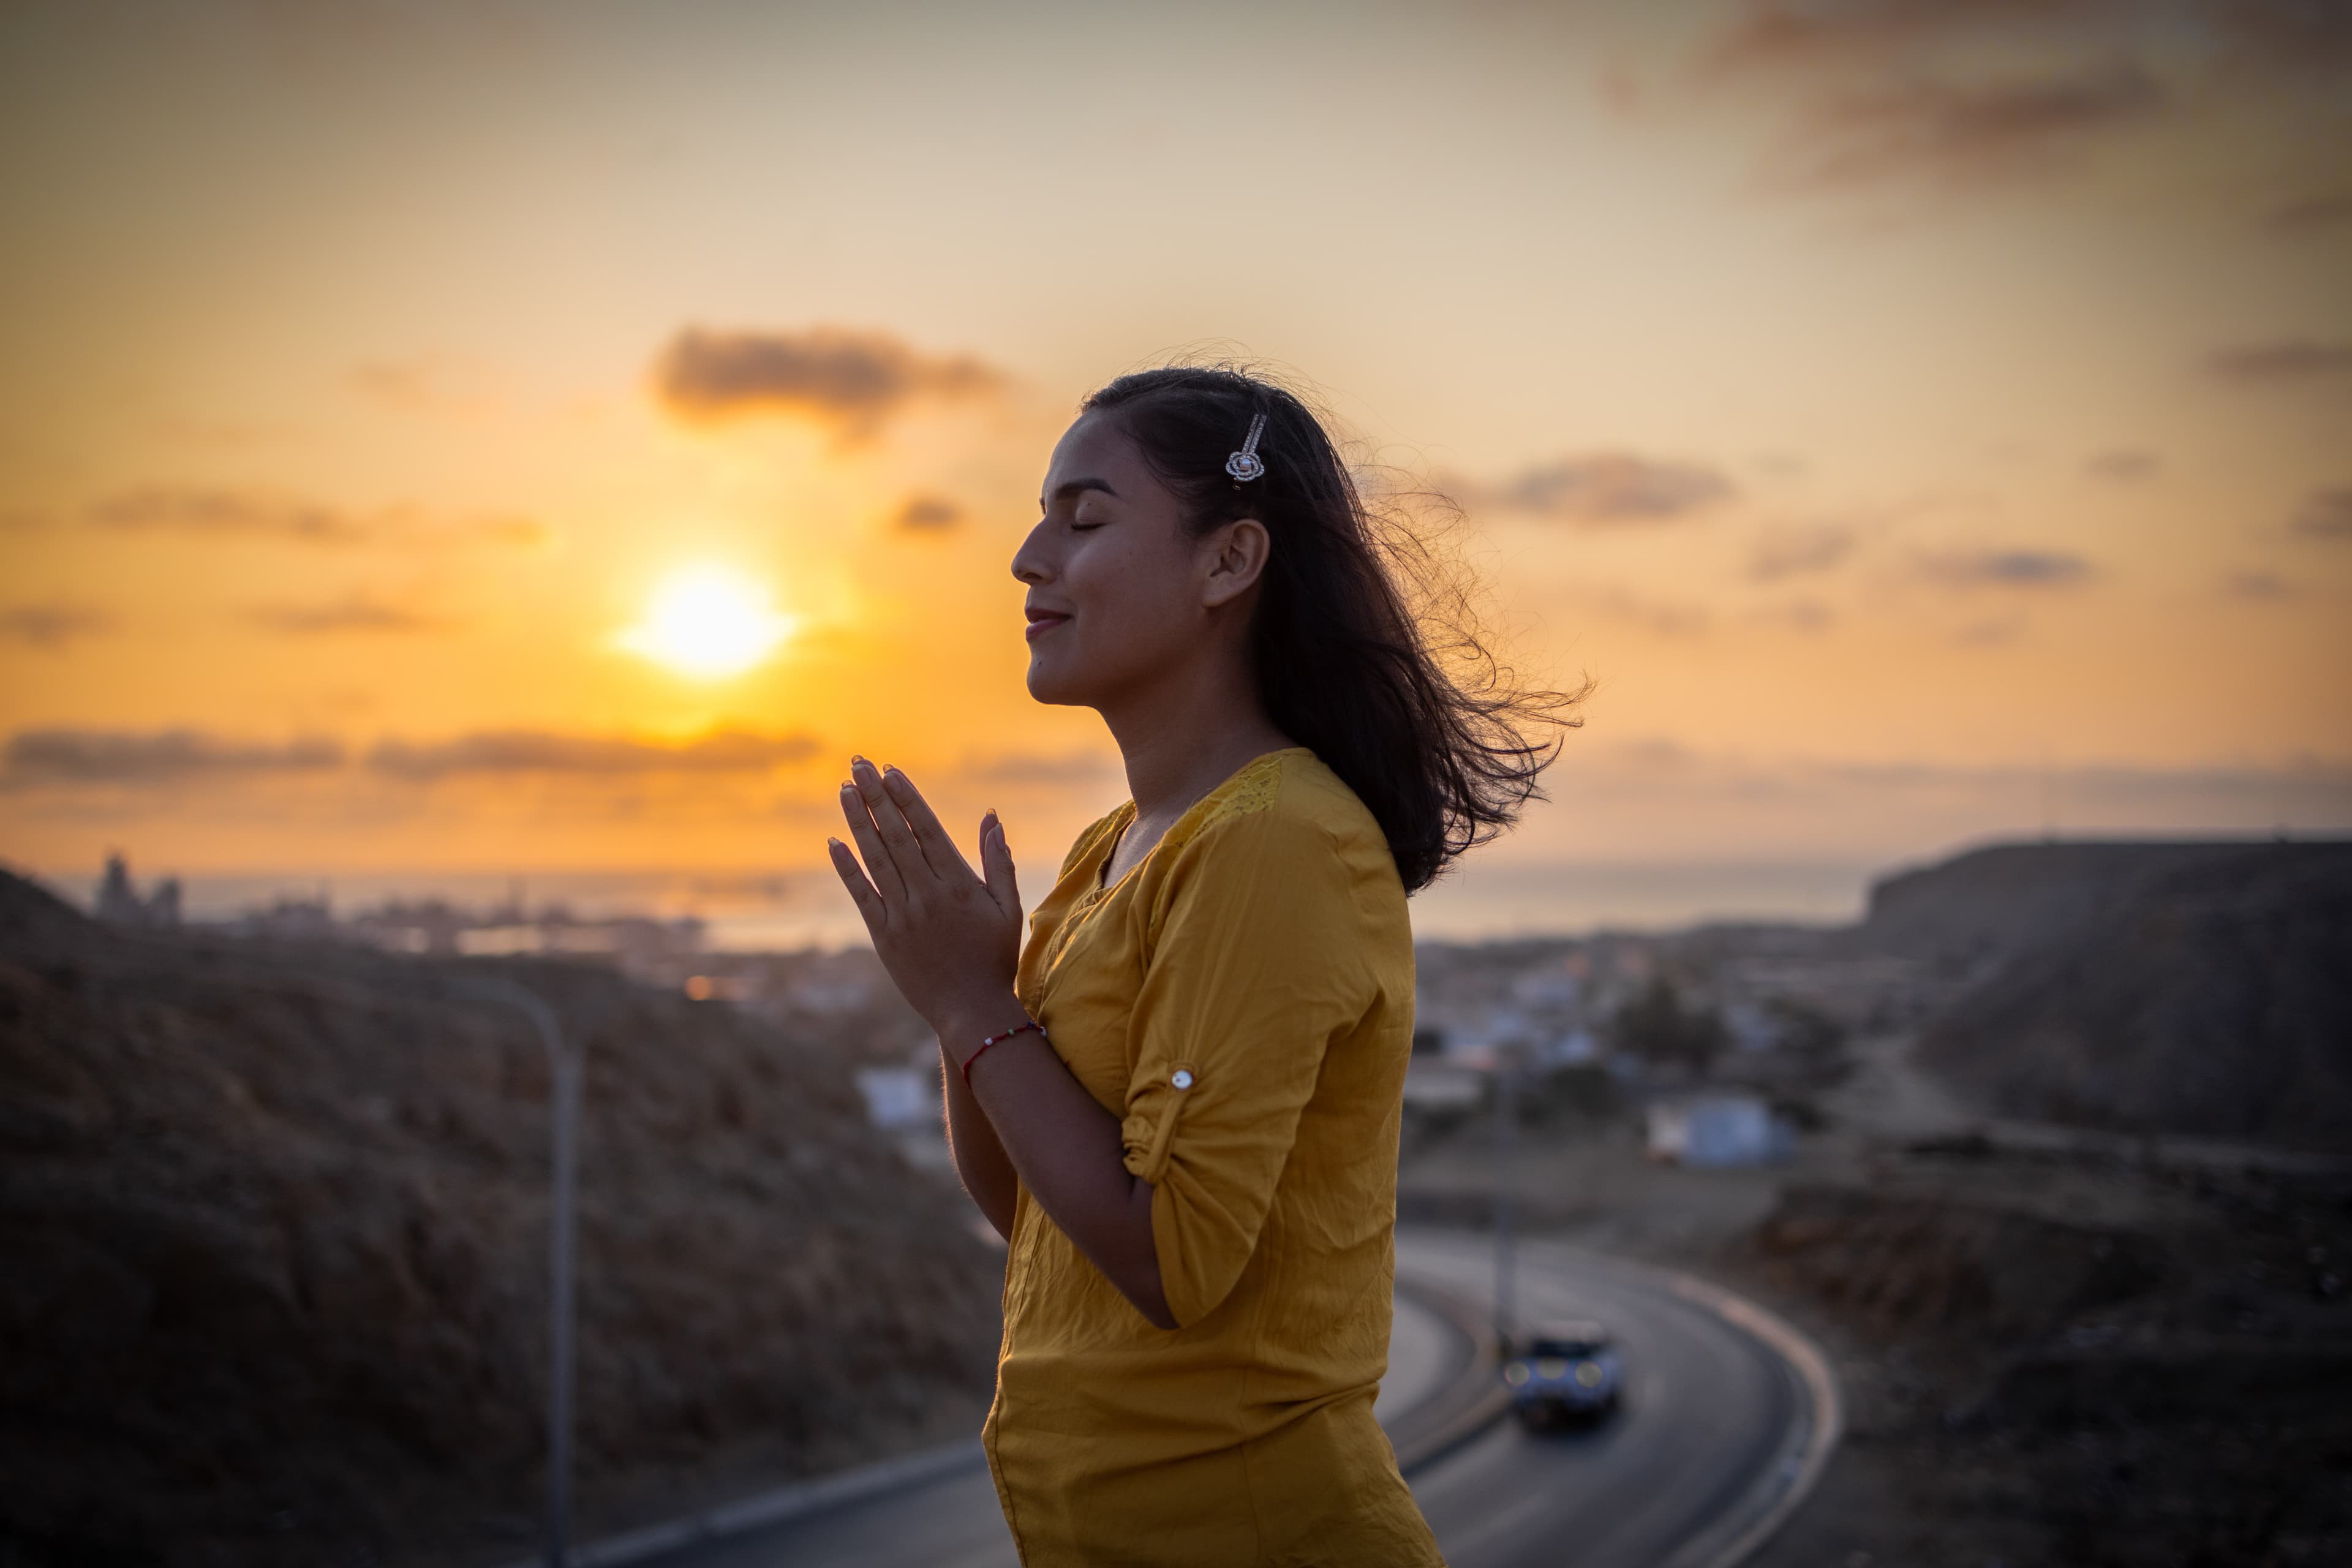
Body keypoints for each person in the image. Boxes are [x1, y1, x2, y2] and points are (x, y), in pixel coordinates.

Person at [827, 363, 1577, 1566]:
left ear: (1229, 562)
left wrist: (972, 998)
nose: (1028, 555)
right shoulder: (1107, 854)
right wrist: (959, 997)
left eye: (1083, 517)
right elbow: (1034, 1212)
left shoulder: (1274, 840)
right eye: (1039, 517)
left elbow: (1167, 1256)